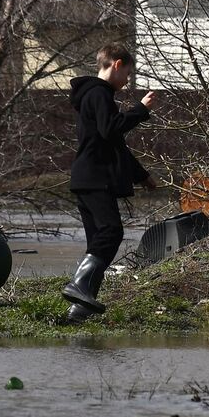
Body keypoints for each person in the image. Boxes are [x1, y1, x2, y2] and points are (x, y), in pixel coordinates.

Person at [62, 44, 157, 322]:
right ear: (116, 65)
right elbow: (111, 129)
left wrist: (142, 175)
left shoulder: (93, 96)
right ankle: (78, 286)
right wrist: (140, 110)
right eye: (127, 73)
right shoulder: (99, 94)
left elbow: (115, 144)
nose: (127, 80)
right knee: (111, 232)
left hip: (86, 177)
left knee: (97, 243)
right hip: (95, 177)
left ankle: (78, 311)